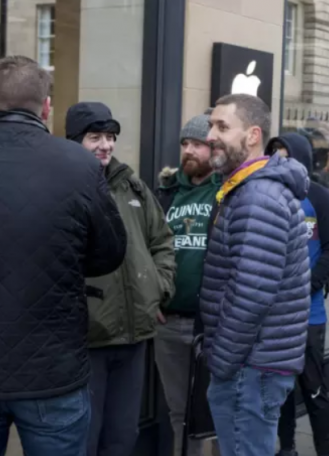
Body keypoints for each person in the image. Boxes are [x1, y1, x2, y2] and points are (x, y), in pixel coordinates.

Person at [0, 56, 126, 456]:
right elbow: (109, 252)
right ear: (47, 107)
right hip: (53, 369)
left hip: (51, 366)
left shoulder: (77, 163)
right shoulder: (79, 165)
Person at [199, 94, 311, 456]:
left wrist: (222, 361)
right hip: (253, 361)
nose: (211, 135)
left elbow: (252, 295)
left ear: (252, 135)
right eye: (211, 125)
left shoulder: (257, 197)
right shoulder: (246, 190)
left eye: (222, 126)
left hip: (250, 364)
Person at [64, 101, 177, 456]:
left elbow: (162, 242)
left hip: (134, 337)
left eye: (110, 136)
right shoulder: (63, 187)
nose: (105, 145)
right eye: (94, 137)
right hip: (87, 340)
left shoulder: (134, 187)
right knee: (84, 439)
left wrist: (157, 289)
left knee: (121, 439)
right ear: (74, 141)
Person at [265, 132, 329, 456]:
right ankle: (287, 449)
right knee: (279, 392)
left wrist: (305, 286)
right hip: (270, 316)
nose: (279, 162)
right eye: (274, 156)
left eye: (286, 156)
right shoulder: (264, 195)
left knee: (313, 390)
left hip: (308, 314)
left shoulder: (320, 197)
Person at [154, 112, 221, 456]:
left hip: (214, 325)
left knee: (222, 412)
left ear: (213, 149)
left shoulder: (227, 193)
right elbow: (144, 251)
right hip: (168, 322)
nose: (189, 150)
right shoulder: (164, 194)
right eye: (185, 143)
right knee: (179, 413)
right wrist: (151, 301)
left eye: (198, 144)